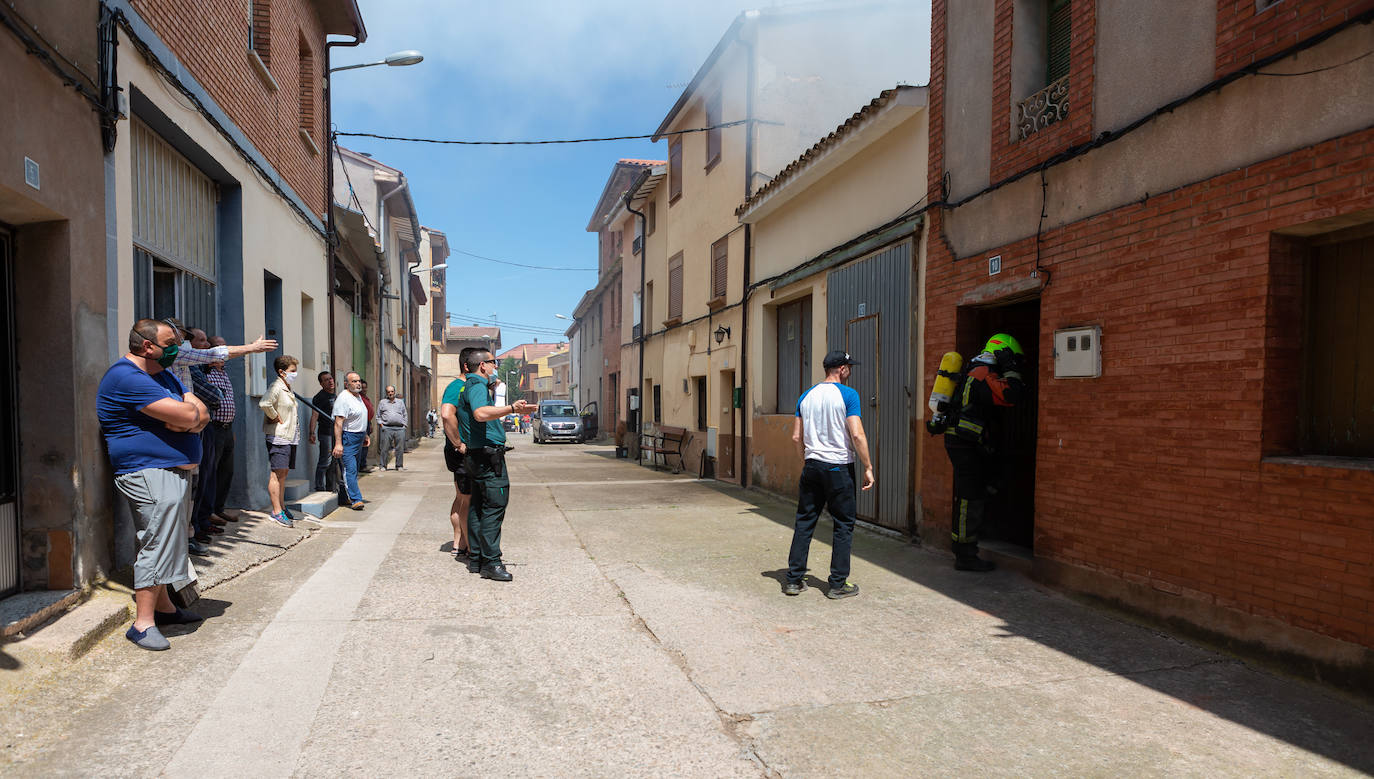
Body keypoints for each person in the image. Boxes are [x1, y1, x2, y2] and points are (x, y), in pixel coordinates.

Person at [97, 319, 209, 651]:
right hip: (148, 471)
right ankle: (142, 624)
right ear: (147, 346)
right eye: (170, 342)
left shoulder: (163, 373)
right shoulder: (126, 377)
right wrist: (187, 419)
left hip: (170, 471)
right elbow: (192, 417)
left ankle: (164, 609)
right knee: (157, 542)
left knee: (171, 542)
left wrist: (187, 419)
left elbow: (200, 409)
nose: (177, 347)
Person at [783, 350, 874, 600]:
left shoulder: (806, 395)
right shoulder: (848, 394)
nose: (850, 371)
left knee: (805, 521)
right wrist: (868, 466)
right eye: (849, 367)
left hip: (812, 466)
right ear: (842, 369)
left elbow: (795, 436)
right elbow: (856, 434)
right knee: (843, 524)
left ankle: (793, 580)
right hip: (838, 468)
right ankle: (837, 584)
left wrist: (808, 461)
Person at [942, 333, 1026, 572]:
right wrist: (1011, 368)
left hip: (963, 441)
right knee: (970, 496)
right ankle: (965, 554)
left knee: (973, 492)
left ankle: (965, 547)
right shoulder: (983, 373)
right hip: (965, 443)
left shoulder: (973, 368)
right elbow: (1011, 395)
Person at [455, 348, 532, 581]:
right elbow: (479, 413)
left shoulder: (469, 385)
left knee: (479, 506)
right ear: (482, 366)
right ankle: (491, 561)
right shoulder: (477, 385)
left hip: (477, 455)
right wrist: (511, 408)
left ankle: (477, 558)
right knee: (494, 506)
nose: (495, 366)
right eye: (493, 362)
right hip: (488, 458)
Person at [186, 328, 225, 547]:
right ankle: (194, 527)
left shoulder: (206, 368)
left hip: (214, 427)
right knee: (198, 481)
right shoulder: (192, 368)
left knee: (210, 476)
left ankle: (203, 520)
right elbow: (213, 395)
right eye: (202, 341)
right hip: (201, 428)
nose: (207, 346)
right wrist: (214, 395)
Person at [441, 348, 478, 565]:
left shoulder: (464, 386)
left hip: (458, 449)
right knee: (466, 499)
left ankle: (459, 543)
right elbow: (447, 414)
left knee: (460, 497)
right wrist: (458, 443)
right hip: (460, 450)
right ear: (467, 366)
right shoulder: (458, 386)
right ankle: (464, 544)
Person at [258, 355, 300, 527]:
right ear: (281, 372)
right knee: (277, 473)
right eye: (292, 371)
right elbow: (265, 403)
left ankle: (281, 507)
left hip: (290, 436)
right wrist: (275, 417)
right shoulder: (276, 386)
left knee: (284, 474)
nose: (295, 374)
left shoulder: (286, 387)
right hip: (279, 436)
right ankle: (276, 511)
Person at [202, 336, 238, 526]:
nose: (223, 352)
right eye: (218, 347)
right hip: (213, 428)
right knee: (211, 472)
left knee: (226, 471)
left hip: (227, 429)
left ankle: (219, 508)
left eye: (225, 347)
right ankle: (207, 513)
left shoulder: (224, 372)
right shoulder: (205, 372)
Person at [332, 372, 370, 510]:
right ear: (346, 384)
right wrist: (338, 443)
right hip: (348, 437)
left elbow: (360, 417)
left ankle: (344, 497)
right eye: (354, 381)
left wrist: (365, 435)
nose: (358, 384)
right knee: (350, 470)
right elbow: (338, 423)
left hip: (359, 437)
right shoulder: (344, 398)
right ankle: (356, 499)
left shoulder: (358, 397)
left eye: (358, 381)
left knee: (351, 470)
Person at [308, 371, 338, 493]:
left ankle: (331, 487)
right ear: (321, 384)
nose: (330, 381)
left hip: (336, 433)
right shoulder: (320, 397)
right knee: (325, 461)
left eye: (330, 378)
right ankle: (320, 488)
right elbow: (314, 416)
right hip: (325, 433)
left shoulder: (336, 396)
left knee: (333, 462)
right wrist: (312, 432)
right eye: (326, 380)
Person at [377, 385, 407, 470]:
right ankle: (383, 465)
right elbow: (378, 416)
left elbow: (405, 414)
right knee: (384, 448)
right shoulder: (382, 402)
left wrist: (404, 425)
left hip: (400, 428)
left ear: (394, 392)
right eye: (388, 392)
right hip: (386, 428)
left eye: (392, 391)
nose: (390, 393)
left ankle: (399, 465)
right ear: (386, 393)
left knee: (400, 449)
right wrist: (381, 425)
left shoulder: (400, 402)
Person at [358, 379, 375, 473]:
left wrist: (370, 423)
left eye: (365, 387)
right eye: (362, 388)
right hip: (362, 423)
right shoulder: (359, 398)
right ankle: (361, 466)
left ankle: (363, 464)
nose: (364, 389)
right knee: (363, 445)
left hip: (367, 422)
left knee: (366, 445)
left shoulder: (365, 397)